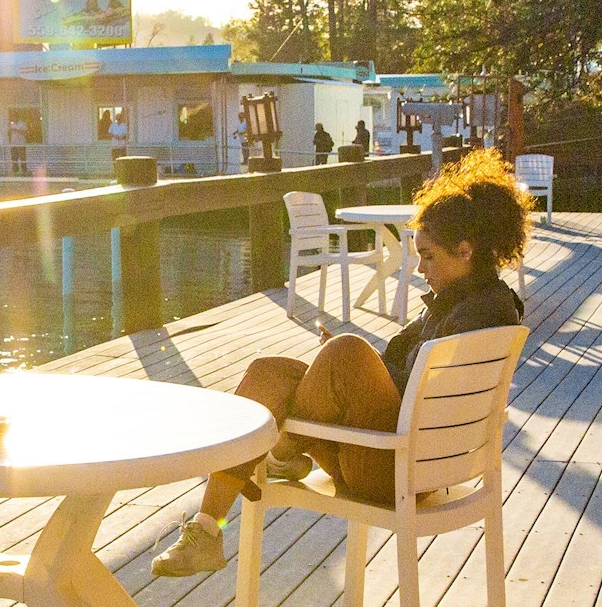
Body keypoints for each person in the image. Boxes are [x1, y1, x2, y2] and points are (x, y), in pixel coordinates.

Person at [152, 150, 530, 577]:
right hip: (391, 456)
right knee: (269, 371)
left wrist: (349, 363)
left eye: (428, 256)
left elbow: (421, 399)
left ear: (465, 251)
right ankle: (207, 529)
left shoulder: (477, 315)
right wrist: (351, 369)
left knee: (344, 352)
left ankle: (280, 450)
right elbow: (406, 376)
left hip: (400, 467)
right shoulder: (472, 305)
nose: (420, 268)